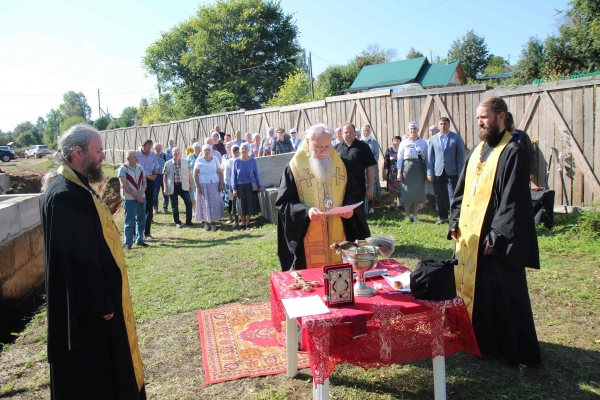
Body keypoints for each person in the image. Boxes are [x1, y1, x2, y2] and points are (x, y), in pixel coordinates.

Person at [41, 124, 145, 399]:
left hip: (98, 304)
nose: (103, 156)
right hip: (88, 311)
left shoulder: (78, 186)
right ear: (78, 152)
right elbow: (74, 257)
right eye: (98, 151)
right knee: (93, 375)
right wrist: (101, 301)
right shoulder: (64, 195)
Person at [449, 96, 541, 366]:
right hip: (470, 236)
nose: (480, 122)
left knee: (498, 292)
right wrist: (455, 219)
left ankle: (500, 347)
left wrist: (498, 234)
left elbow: (514, 200)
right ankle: (473, 338)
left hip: (492, 238)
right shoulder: (477, 150)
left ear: (501, 116)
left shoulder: (513, 151)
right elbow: (462, 188)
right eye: (478, 118)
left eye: (485, 117)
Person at [276, 123, 371, 271]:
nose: (323, 152)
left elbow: (353, 194)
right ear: (308, 142)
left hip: (340, 235)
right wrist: (306, 212)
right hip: (308, 237)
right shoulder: (294, 170)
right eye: (318, 147)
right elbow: (284, 202)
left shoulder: (342, 167)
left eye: (327, 147)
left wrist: (350, 210)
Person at [427, 117, 466, 225]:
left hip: (452, 171)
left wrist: (460, 171)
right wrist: (429, 172)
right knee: (439, 195)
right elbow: (429, 157)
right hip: (438, 172)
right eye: (441, 124)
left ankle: (454, 218)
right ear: (438, 126)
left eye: (445, 124)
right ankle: (442, 217)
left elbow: (461, 156)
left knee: (452, 195)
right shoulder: (433, 139)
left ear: (448, 125)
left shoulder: (456, 138)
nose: (443, 126)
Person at [335, 123, 376, 206]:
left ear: (355, 133)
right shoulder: (336, 149)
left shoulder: (363, 147)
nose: (348, 134)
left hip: (358, 188)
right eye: (346, 132)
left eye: (350, 132)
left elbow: (370, 168)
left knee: (358, 216)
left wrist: (370, 188)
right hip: (340, 189)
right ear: (342, 134)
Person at [396, 122, 428, 222]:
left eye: (414, 129)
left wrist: (427, 171)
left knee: (418, 192)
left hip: (419, 169)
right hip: (407, 169)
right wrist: (399, 171)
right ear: (409, 130)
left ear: (418, 130)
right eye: (411, 129)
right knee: (407, 191)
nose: (412, 130)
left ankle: (415, 215)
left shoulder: (423, 143)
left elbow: (427, 158)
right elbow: (400, 158)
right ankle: (406, 215)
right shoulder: (404, 143)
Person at [232, 143, 266, 230]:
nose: (244, 150)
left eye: (246, 148)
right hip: (240, 187)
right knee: (241, 206)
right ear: (240, 150)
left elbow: (256, 174)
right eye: (242, 148)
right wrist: (234, 188)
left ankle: (248, 223)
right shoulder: (236, 161)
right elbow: (233, 176)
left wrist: (260, 186)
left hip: (250, 186)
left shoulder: (253, 160)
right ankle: (242, 223)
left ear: (249, 150)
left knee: (249, 205)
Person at [119, 150, 147, 249]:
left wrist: (141, 194)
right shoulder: (123, 169)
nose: (137, 158)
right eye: (134, 157)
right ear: (128, 159)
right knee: (129, 221)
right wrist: (136, 195)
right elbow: (124, 185)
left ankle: (140, 240)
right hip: (130, 199)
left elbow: (144, 183)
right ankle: (128, 243)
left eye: (137, 156)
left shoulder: (140, 168)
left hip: (141, 197)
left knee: (141, 220)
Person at [194, 144, 225, 231]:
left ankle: (213, 223)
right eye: (205, 150)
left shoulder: (215, 159)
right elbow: (195, 174)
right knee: (205, 203)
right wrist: (198, 187)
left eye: (208, 150)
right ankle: (206, 223)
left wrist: (221, 184)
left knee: (213, 203)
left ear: (211, 151)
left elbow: (221, 172)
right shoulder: (199, 160)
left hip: (214, 183)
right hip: (203, 184)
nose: (207, 152)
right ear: (202, 151)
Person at [163, 147, 193, 228]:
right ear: (172, 154)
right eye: (174, 153)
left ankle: (188, 221)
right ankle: (177, 222)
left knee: (189, 203)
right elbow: (165, 176)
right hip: (173, 186)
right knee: (174, 205)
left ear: (180, 153)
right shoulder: (168, 163)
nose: (176, 155)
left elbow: (189, 174)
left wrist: (191, 185)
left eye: (178, 153)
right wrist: (165, 188)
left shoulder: (185, 162)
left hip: (183, 185)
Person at [137, 139, 158, 238]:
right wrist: (145, 175)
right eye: (147, 148)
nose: (149, 150)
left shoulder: (153, 154)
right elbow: (134, 168)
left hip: (150, 181)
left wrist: (154, 173)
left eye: (150, 148)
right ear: (143, 145)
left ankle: (147, 232)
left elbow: (156, 166)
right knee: (138, 205)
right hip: (138, 181)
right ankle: (136, 233)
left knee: (149, 206)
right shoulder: (136, 154)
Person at [508, 116, 536, 183]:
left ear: (512, 125)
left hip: (521, 173)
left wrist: (531, 172)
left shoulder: (523, 136)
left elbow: (531, 155)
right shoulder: (501, 138)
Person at [361, 124, 381, 214]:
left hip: (373, 167)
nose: (366, 132)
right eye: (365, 130)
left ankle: (372, 207)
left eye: (368, 130)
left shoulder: (374, 142)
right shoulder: (360, 141)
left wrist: (369, 163)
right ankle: (364, 206)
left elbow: (376, 154)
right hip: (362, 167)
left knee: (373, 184)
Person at [383, 135, 402, 211]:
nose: (396, 142)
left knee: (399, 189)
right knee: (391, 189)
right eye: (394, 140)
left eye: (397, 141)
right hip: (391, 173)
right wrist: (384, 172)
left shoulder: (402, 150)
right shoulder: (389, 150)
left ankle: (399, 204)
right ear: (392, 142)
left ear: (400, 142)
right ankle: (391, 204)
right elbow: (385, 162)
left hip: (400, 172)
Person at [223, 143, 240, 227]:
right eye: (235, 152)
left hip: (242, 184)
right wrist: (230, 185)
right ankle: (235, 221)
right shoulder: (229, 162)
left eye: (238, 152)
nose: (236, 154)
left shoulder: (241, 159)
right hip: (233, 185)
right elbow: (228, 175)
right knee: (233, 203)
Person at [153, 143, 170, 214]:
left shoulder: (165, 156)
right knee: (155, 193)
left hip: (164, 176)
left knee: (166, 192)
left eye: (159, 148)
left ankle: (165, 207)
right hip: (155, 177)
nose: (158, 149)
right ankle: (155, 208)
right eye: (157, 148)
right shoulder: (152, 156)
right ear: (154, 149)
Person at [186, 142, 201, 213]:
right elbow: (186, 168)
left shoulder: (202, 156)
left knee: (200, 194)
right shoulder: (189, 157)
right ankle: (194, 209)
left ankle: (200, 210)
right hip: (192, 178)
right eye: (196, 148)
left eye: (198, 147)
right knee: (192, 194)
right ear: (193, 149)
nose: (197, 149)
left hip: (201, 178)